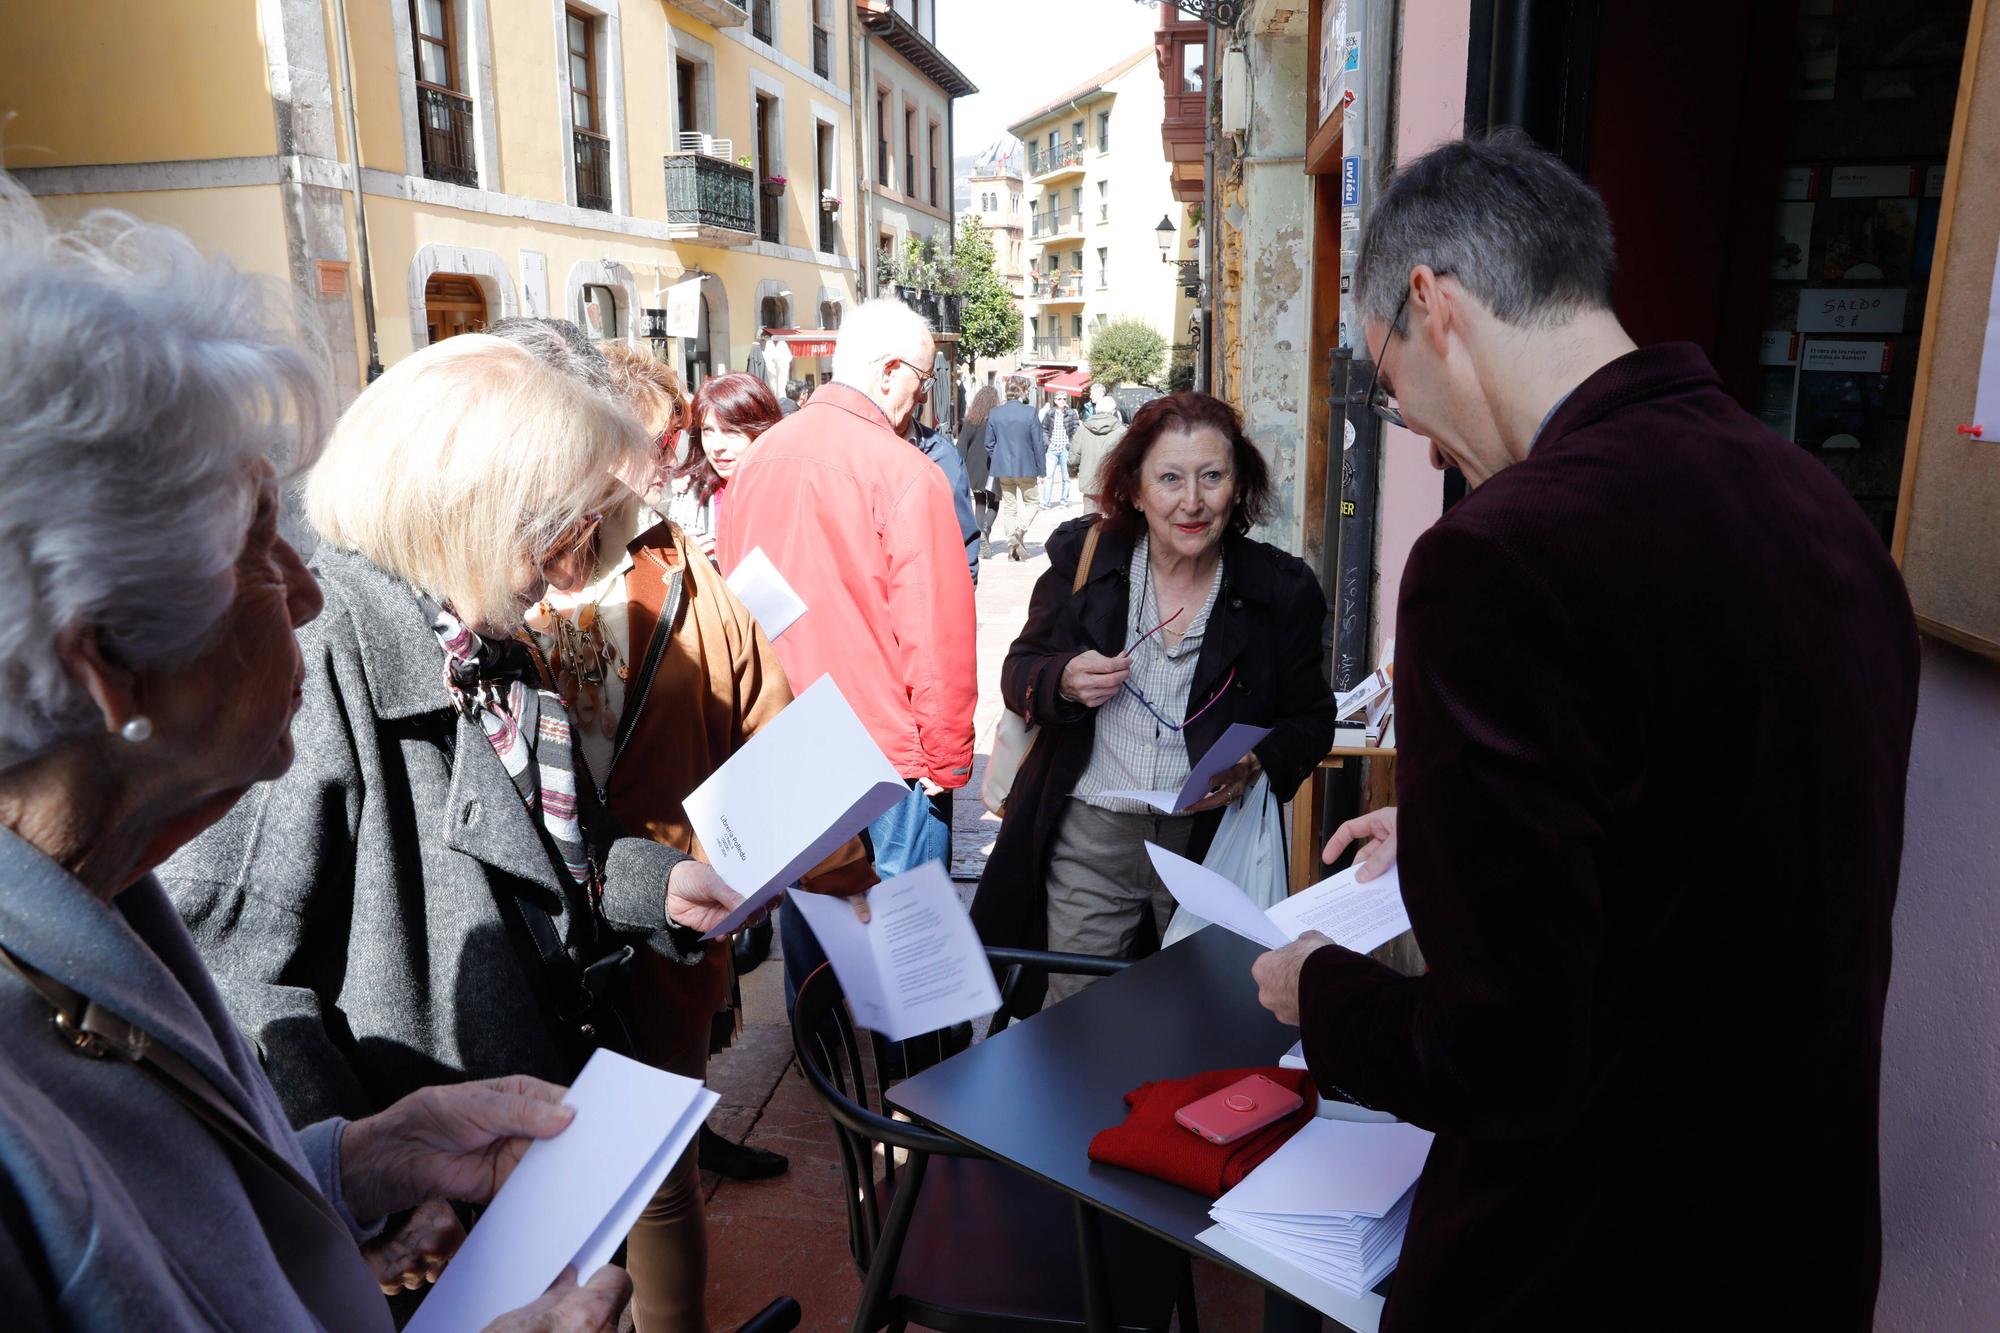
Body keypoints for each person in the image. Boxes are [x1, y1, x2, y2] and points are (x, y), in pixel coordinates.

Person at [1248, 134, 1920, 1330]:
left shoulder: (1499, 555)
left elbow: (1501, 1055)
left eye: (1386, 385)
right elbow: (1728, 813)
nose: (1412, 426)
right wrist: (1463, 821)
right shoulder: (1819, 509)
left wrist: (1327, 995)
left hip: (1589, 1259)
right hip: (1796, 1247)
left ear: (1431, 302)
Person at [0, 188, 631, 1329]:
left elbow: (184, 1202)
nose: (301, 590)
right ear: (107, 659)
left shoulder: (105, 887)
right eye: (254, 549)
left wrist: (352, 1162)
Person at [158, 331, 752, 1330]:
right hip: (427, 1207)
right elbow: (240, 978)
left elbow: (570, 841)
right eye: (558, 525)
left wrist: (659, 888)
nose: (574, 561)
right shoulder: (319, 648)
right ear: (474, 505)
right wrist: (361, 1174)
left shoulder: (474, 634)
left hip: (504, 1160)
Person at [971, 393, 1337, 1005]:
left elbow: (1312, 720)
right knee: (1077, 1015)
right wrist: (1062, 679)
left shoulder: (1279, 589)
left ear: (1237, 486)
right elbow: (1019, 671)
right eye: (1169, 478)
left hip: (1212, 844)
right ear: (1136, 490)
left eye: (1212, 477)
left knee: (1207, 1014)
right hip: (1091, 835)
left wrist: (1259, 762)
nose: (1191, 501)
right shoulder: (1084, 560)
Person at [716, 299, 978, 1005]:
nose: (919, 398)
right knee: (912, 955)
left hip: (790, 734)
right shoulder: (904, 472)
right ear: (891, 373)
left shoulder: (757, 460)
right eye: (921, 383)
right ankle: (910, 1093)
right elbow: (937, 633)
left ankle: (831, 1066)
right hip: (884, 747)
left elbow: (735, 614)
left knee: (817, 918)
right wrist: (949, 759)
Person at [678, 371, 786, 556]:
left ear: (762, 431)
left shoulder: (789, 491)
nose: (717, 446)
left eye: (731, 431)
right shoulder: (690, 495)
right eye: (708, 430)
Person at [985, 376, 1044, 561]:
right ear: (1021, 391)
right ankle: (1019, 531)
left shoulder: (995, 413)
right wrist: (1041, 469)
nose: (1027, 392)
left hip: (1003, 469)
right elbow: (1038, 444)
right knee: (1033, 502)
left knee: (1010, 508)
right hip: (1026, 466)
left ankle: (1012, 550)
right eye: (1026, 389)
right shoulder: (1030, 412)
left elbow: (988, 444)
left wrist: (1000, 457)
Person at [960, 381, 1002, 544]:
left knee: (979, 502)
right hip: (993, 466)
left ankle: (979, 539)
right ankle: (986, 529)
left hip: (974, 469)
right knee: (993, 501)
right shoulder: (997, 420)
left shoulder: (971, 420)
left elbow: (962, 446)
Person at [1073, 385, 1127, 505]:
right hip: (1112, 483)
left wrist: (1072, 472)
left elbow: (1074, 456)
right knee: (1111, 520)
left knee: (1089, 520)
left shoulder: (1083, 429)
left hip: (1089, 483)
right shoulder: (1122, 431)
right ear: (1113, 412)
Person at [1040, 391, 1080, 508]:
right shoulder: (1050, 413)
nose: (1062, 401)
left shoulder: (1071, 413)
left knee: (1066, 477)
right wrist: (1048, 443)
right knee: (1049, 477)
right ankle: (1046, 502)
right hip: (1052, 449)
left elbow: (1075, 430)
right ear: (1055, 400)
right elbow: (1044, 429)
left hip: (1065, 449)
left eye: (1064, 399)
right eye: (1060, 399)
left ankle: (1064, 501)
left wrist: (1070, 444)